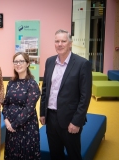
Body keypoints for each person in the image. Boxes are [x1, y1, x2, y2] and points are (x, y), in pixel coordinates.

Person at [40, 29, 92, 160]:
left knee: (73, 154)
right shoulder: (50, 61)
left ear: (70, 44)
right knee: (55, 154)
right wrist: (42, 112)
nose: (60, 44)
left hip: (70, 120)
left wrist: (77, 121)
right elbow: (45, 89)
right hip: (51, 118)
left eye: (63, 41)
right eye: (57, 41)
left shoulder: (82, 64)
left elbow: (85, 96)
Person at [2, 52, 41, 159]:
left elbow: (29, 109)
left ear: (27, 64)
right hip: (10, 127)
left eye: (21, 61)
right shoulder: (11, 83)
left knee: (25, 154)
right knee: (12, 154)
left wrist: (14, 125)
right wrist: (5, 119)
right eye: (15, 62)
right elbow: (6, 103)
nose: (18, 64)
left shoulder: (32, 84)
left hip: (26, 127)